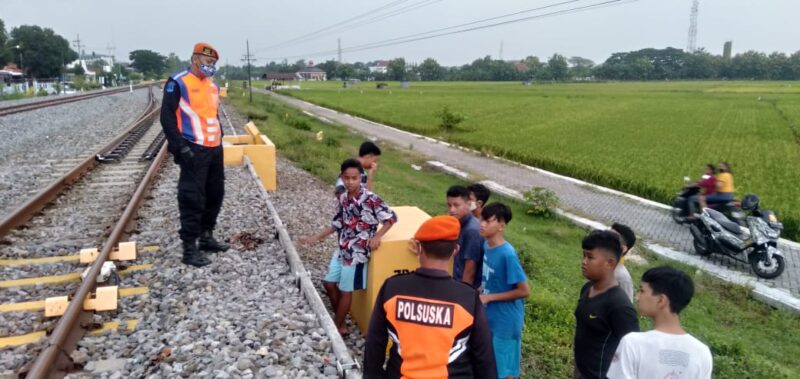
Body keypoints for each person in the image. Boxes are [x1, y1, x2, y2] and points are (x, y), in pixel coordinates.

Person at [363, 215, 497, 378]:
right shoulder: (468, 297)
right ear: (455, 251)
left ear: (419, 248)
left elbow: (375, 343)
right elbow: (483, 356)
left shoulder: (392, 288)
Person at [301, 158, 397, 335]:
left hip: (357, 253)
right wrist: (315, 238)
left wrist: (377, 236)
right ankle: (340, 322)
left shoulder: (371, 199)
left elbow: (391, 218)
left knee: (346, 290)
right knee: (329, 283)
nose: (350, 182)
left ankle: (335, 328)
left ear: (361, 177)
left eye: (354, 178)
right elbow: (337, 223)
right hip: (342, 249)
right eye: (347, 178)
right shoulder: (343, 197)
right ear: (341, 177)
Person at [160, 42, 229, 267]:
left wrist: (220, 136)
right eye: (208, 61)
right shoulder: (178, 82)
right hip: (193, 148)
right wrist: (180, 147)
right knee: (192, 197)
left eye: (214, 63)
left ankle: (206, 236)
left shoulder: (213, 86)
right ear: (195, 59)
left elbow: (212, 114)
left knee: (215, 194)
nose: (211, 66)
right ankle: (189, 248)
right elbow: (167, 118)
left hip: (214, 148)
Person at [607, 266, 713, 379]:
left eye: (642, 291)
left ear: (661, 300)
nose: (637, 297)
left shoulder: (633, 344)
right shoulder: (702, 353)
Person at [573, 230, 640, 379]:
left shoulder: (619, 306)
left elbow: (634, 352)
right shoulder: (587, 288)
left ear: (610, 263)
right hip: (581, 371)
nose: (584, 262)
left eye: (590, 257)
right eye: (584, 256)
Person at [479, 203, 530, 379]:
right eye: (482, 219)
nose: (482, 224)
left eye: (488, 221)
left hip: (506, 321)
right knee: (491, 363)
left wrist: (489, 297)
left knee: (504, 368)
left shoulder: (507, 254)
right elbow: (491, 278)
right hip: (491, 315)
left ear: (501, 226)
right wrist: (481, 290)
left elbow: (524, 291)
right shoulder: (487, 245)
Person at [447, 185, 483, 288]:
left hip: (461, 286)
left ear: (468, 204)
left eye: (456, 205)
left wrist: (462, 293)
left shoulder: (472, 230)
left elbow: (469, 271)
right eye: (449, 205)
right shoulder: (456, 222)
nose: (452, 210)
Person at [610, 223, 636, 303]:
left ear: (623, 249)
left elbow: (627, 306)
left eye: (611, 239)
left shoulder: (622, 278)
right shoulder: (599, 264)